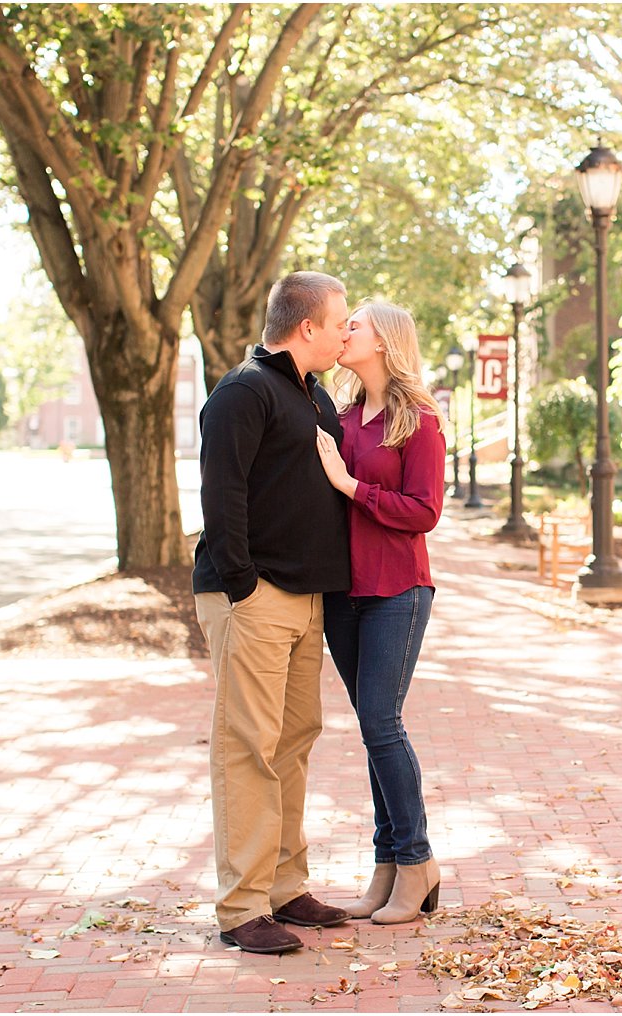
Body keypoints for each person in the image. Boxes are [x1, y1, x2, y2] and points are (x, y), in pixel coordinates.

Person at [191, 271, 354, 955]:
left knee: (292, 743)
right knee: (248, 748)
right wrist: (244, 586)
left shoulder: (314, 397)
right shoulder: (243, 392)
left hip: (306, 598)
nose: (348, 332)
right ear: (306, 327)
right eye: (340, 320)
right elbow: (220, 496)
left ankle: (285, 886)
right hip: (255, 598)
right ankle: (242, 905)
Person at [313, 300, 447, 924]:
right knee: (373, 731)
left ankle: (416, 861)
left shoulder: (418, 421)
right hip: (346, 593)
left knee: (380, 722)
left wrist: (350, 487)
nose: (344, 331)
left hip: (398, 589)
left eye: (355, 325)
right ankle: (387, 865)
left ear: (385, 340)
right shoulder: (341, 418)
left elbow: (423, 512)